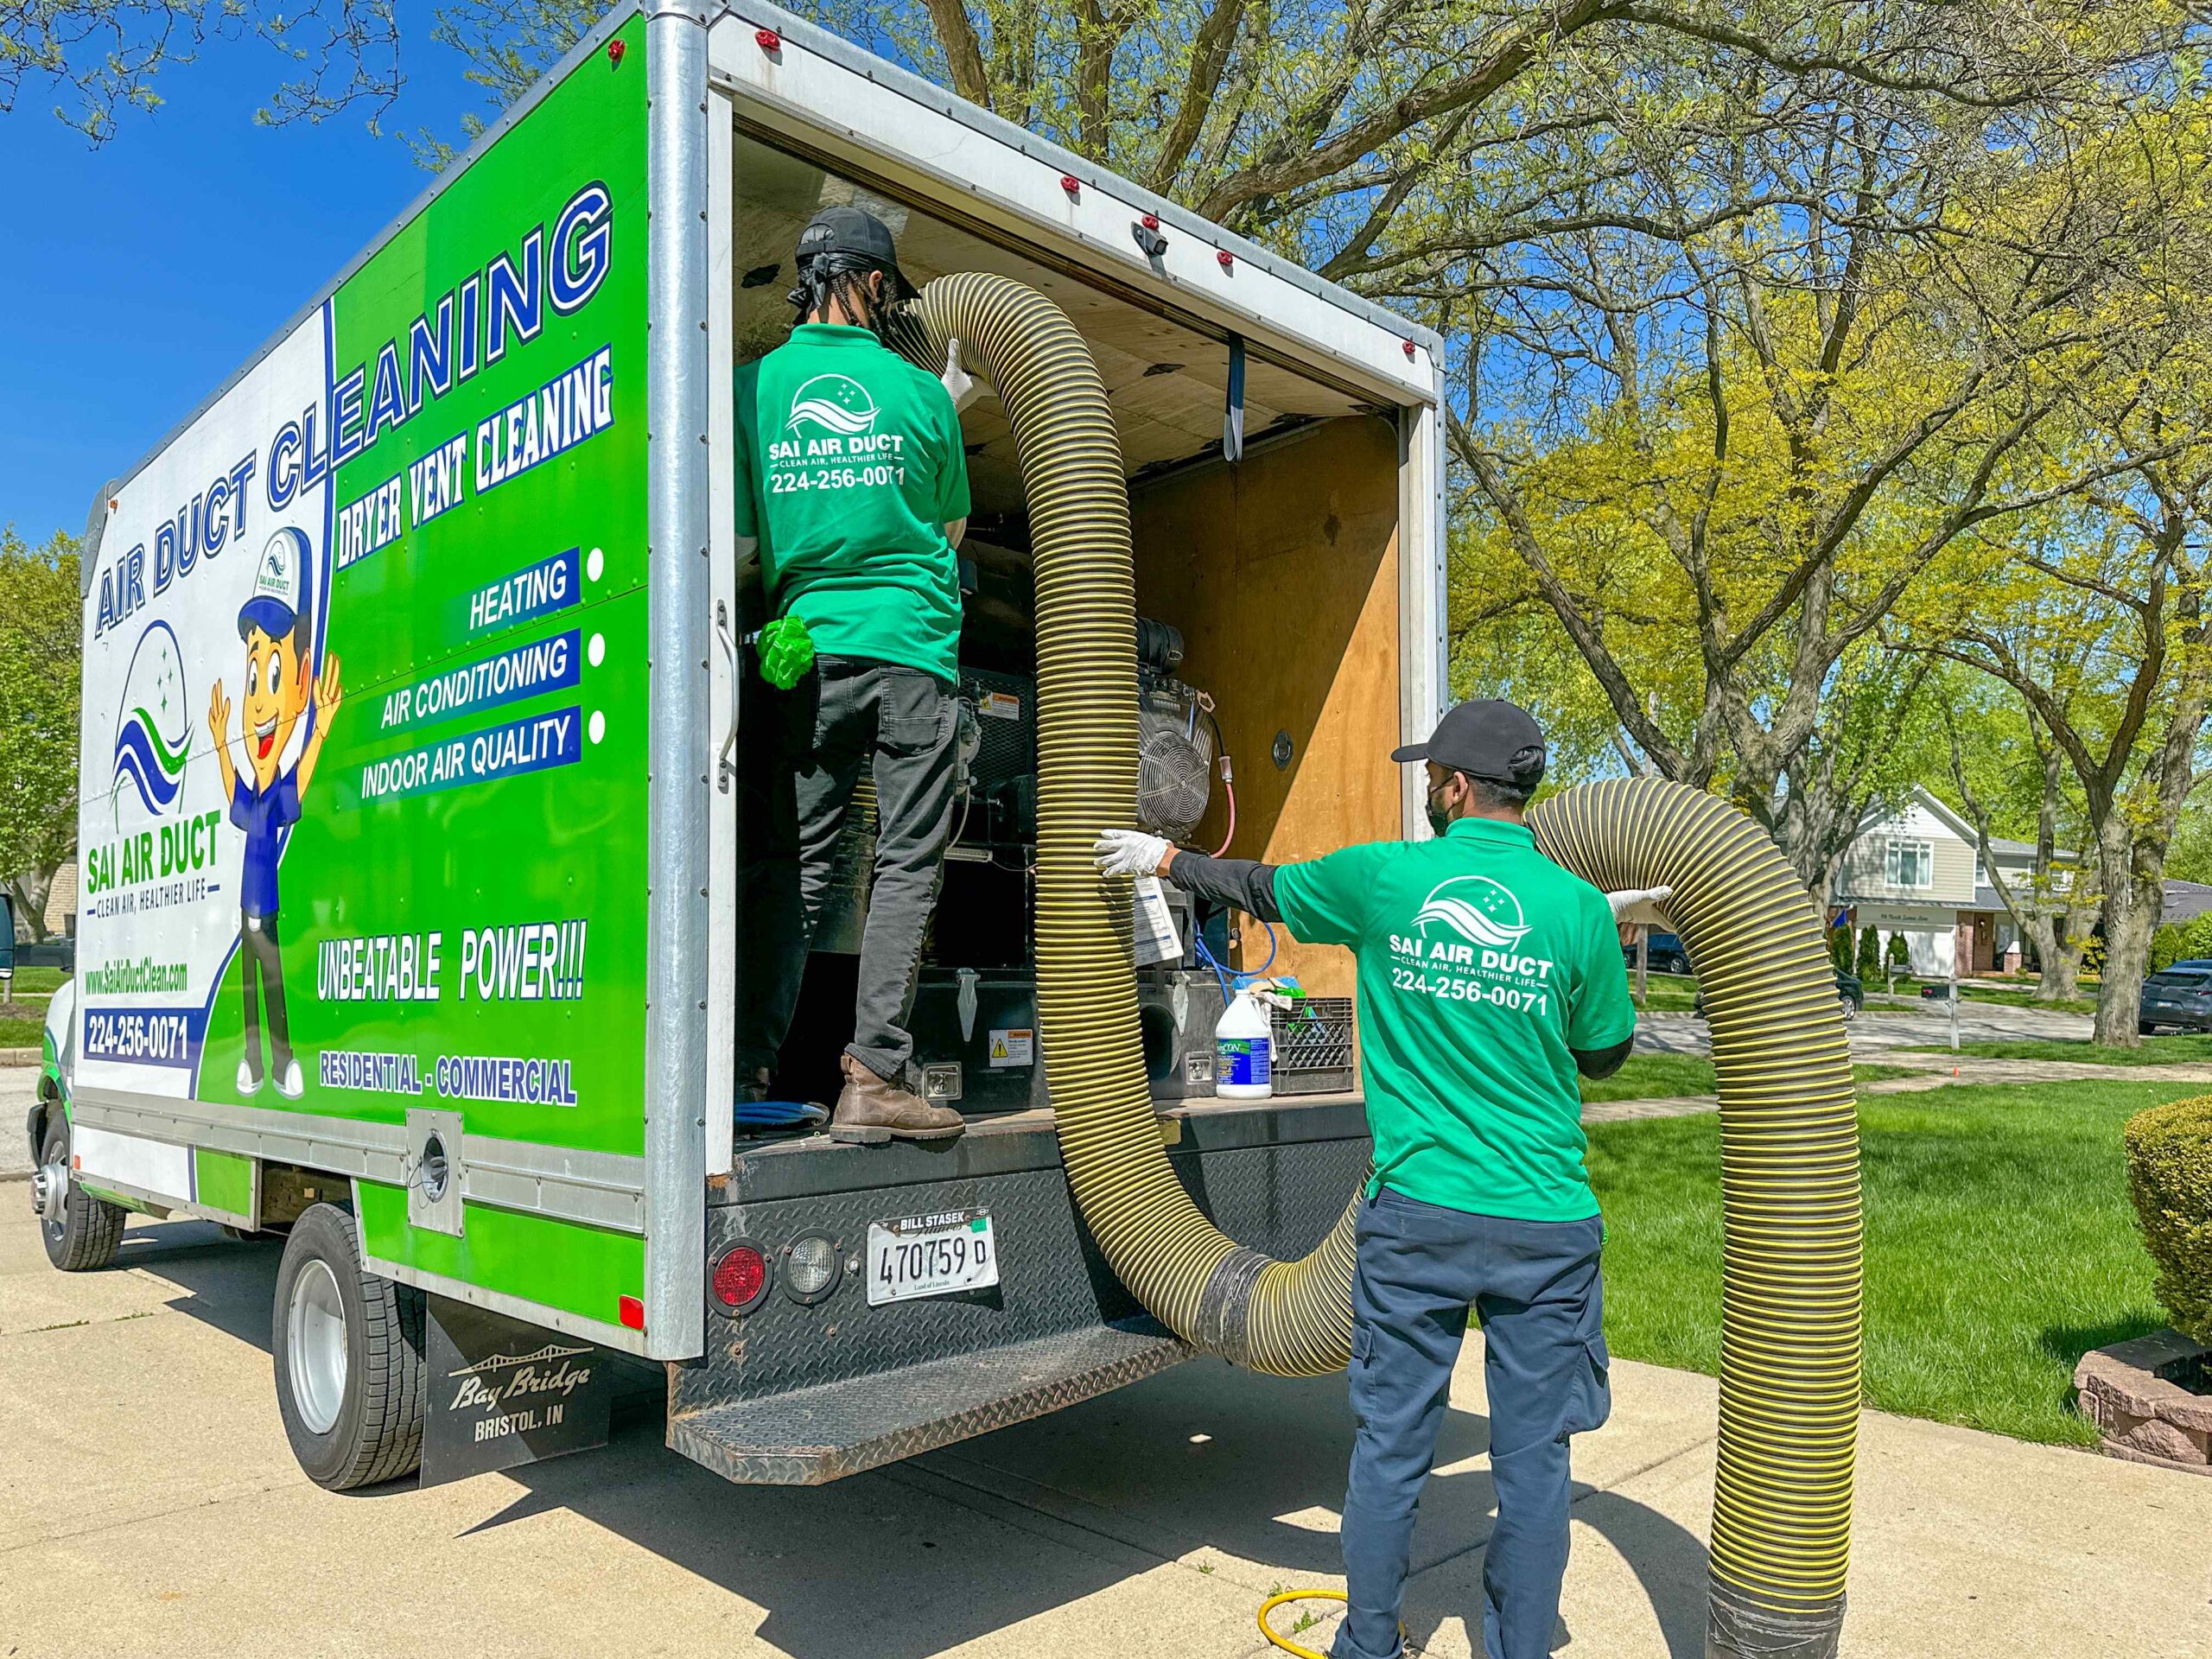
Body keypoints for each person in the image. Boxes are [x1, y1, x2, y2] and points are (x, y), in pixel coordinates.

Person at [1095, 699, 1667, 1659]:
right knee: (1534, 1468)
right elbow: (1605, 1054)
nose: (1427, 790)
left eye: (1430, 777)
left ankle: (1367, 1644)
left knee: (1393, 1452)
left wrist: (1160, 860)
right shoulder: (1574, 907)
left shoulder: (1387, 879)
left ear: (1452, 786)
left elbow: (1260, 889)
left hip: (1420, 1220)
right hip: (1547, 1228)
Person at [732, 204, 978, 1142]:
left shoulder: (751, 387)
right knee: (905, 863)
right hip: (911, 650)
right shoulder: (921, 396)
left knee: (791, 868)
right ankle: (874, 1076)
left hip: (804, 654)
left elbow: (747, 539)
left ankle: (747, 1069)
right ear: (874, 285)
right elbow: (948, 531)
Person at [207, 526, 344, 1101]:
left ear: (299, 675)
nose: (260, 701)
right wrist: (218, 743)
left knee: (273, 982)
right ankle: (252, 1061)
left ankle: (284, 1062)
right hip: (246, 907)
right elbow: (234, 788)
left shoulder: (279, 793)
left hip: (271, 908)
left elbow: (304, 776)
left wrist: (321, 727)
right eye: (252, 673)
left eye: (273, 675)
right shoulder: (254, 798)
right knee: (249, 986)